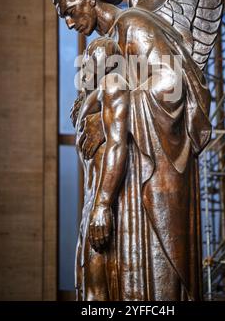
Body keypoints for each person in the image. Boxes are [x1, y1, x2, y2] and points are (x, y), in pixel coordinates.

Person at [54, 0, 211, 301]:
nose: (69, 24)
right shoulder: (110, 43)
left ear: (91, 0)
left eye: (70, 11)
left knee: (151, 281)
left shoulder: (132, 24)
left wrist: (116, 111)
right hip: (129, 168)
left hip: (153, 167)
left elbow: (171, 85)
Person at [71, 36, 129, 300]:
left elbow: (118, 144)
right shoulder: (91, 99)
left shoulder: (112, 86)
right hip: (90, 205)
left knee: (99, 291)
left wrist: (102, 206)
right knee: (86, 288)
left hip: (104, 205)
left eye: (96, 57)